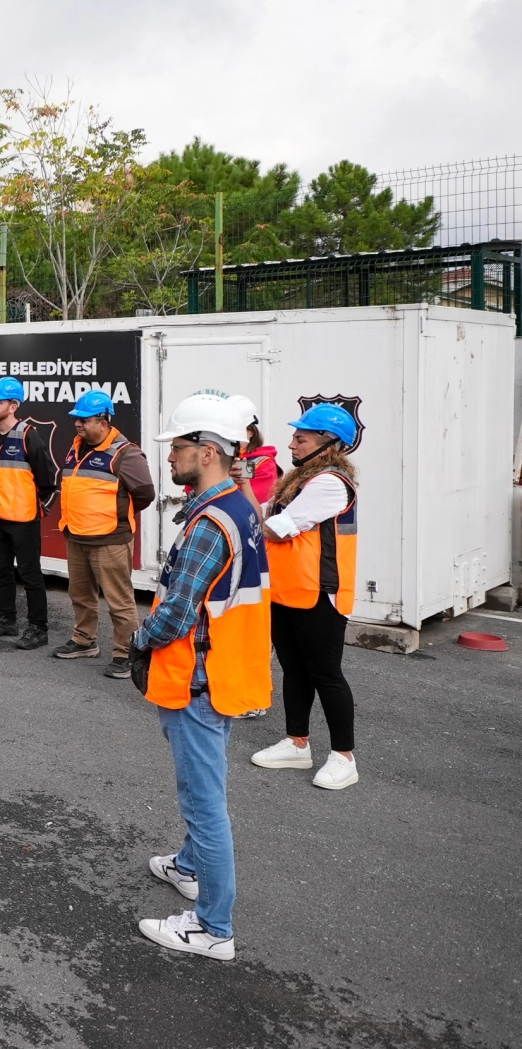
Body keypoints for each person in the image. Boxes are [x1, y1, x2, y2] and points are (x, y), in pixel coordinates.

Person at [130, 392, 271, 962]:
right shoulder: (239, 505)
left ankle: (213, 928)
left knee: (203, 803)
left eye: (180, 448)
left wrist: (138, 639)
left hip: (197, 679)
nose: (170, 458)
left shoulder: (211, 522)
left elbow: (176, 613)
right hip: (224, 673)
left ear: (208, 452)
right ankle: (189, 868)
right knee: (204, 794)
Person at [251, 403, 361, 791]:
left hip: (320, 594)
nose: (292, 444)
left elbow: (276, 528)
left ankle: (344, 757)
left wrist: (252, 512)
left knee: (326, 675)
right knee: (295, 671)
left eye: (301, 438)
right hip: (287, 590)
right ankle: (297, 743)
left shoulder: (330, 482)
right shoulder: (298, 480)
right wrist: (243, 487)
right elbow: (261, 516)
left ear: (329, 444)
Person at [55, 390, 156, 677]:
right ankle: (83, 640)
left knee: (119, 600)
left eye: (84, 420)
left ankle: (126, 653)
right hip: (76, 535)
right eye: (77, 418)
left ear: (103, 421)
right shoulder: (77, 447)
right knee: (80, 594)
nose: (78, 424)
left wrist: (114, 514)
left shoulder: (126, 453)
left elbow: (145, 494)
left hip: (109, 538)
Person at [0, 376, 58, 649]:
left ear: (13, 406)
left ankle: (38, 628)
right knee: (1, 572)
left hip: (23, 519)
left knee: (30, 574)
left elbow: (47, 477)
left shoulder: (28, 435)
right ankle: (6, 620)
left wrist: (37, 505)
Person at [230, 394, 280, 505]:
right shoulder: (218, 456)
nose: (231, 435)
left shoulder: (264, 464)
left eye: (238, 429)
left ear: (251, 432)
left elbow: (257, 507)